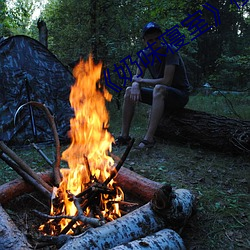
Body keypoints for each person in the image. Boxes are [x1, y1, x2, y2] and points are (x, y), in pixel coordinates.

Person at [115, 22, 191, 149]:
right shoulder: (144, 55)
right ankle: (124, 136)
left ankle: (149, 138)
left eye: (157, 39)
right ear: (144, 41)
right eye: (150, 40)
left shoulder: (170, 51)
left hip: (179, 95)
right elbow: (137, 77)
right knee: (128, 91)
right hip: (160, 94)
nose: (154, 42)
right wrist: (134, 85)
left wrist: (139, 81)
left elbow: (166, 81)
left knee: (159, 88)